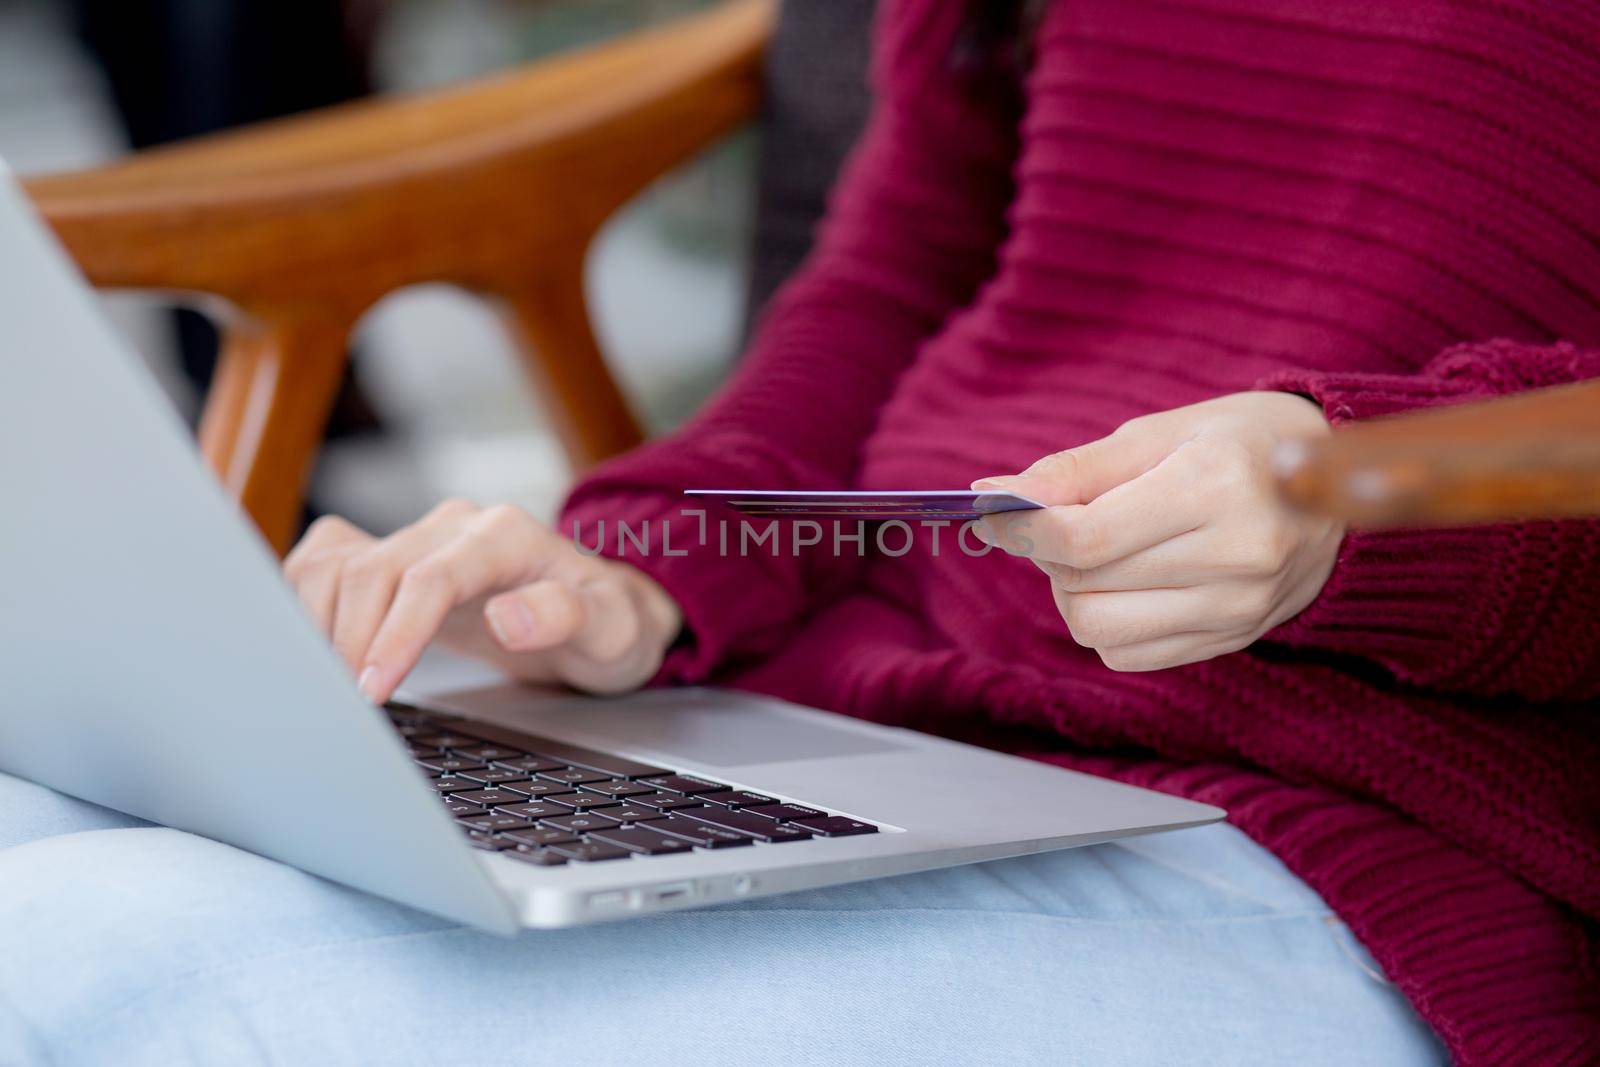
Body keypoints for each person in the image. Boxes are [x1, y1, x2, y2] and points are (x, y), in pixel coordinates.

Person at [3, 1, 1596, 1063]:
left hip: (1333, 820)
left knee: (129, 975)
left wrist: (1374, 497)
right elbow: (896, 279)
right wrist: (634, 569)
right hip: (864, 721)